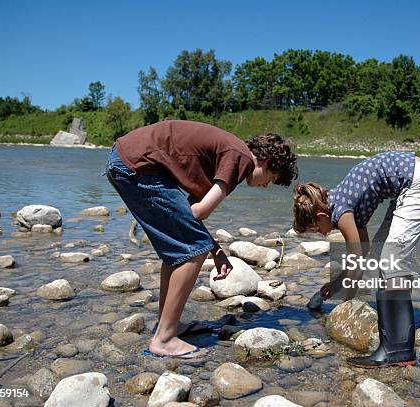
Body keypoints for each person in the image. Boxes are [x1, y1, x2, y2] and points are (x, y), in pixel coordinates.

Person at [105, 120, 297, 358]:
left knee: (178, 252)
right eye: (271, 178)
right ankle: (164, 339)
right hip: (137, 166)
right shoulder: (241, 158)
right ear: (266, 162)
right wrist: (208, 249)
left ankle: (169, 326)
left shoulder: (228, 152)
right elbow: (200, 212)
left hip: (129, 160)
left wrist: (216, 251)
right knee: (192, 251)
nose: (266, 185)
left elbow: (187, 213)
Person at [292, 151, 420, 368]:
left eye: (316, 230)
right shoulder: (342, 202)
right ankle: (395, 344)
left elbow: (356, 261)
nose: (321, 234)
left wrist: (347, 303)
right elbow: (363, 256)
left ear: (321, 216)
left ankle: (398, 351)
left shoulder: (341, 211)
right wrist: (337, 284)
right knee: (382, 252)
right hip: (412, 181)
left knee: (392, 258)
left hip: (419, 181)